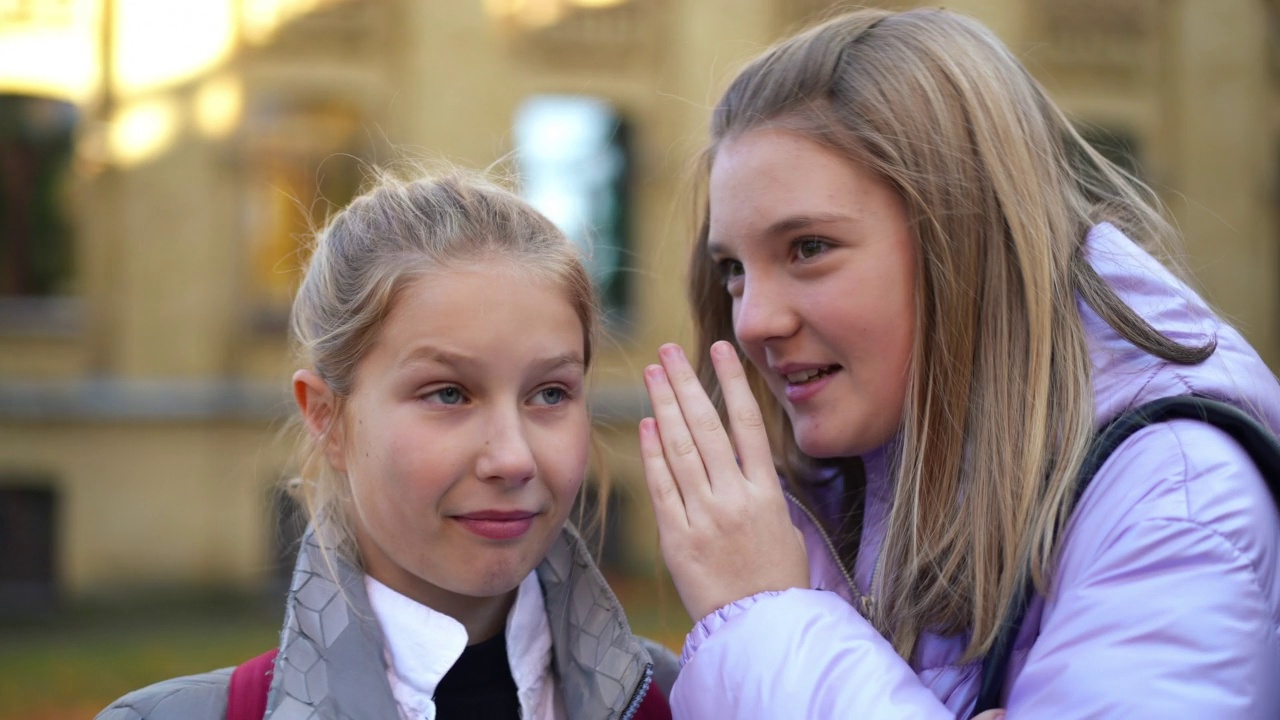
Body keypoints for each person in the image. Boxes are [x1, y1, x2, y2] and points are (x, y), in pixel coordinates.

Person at [639, 7, 1280, 719]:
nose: (753, 319)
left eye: (809, 248)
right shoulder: (823, 496)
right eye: (732, 268)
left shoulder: (1174, 502)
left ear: (962, 239)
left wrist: (763, 622)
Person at [96, 170, 677, 720]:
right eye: (449, 394)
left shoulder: (705, 699)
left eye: (550, 393)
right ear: (327, 417)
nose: (513, 458)